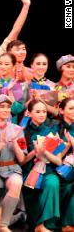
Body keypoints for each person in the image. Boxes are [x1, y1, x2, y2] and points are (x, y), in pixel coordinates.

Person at [0, 95, 26, 232]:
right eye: (2, 106)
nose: (6, 109)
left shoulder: (17, 129)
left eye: (8, 107)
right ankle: (15, 218)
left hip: (11, 168)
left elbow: (22, 159)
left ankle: (4, 225)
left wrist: (14, 142)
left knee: (16, 183)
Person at [22, 100, 62, 231]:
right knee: (32, 187)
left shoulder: (52, 129)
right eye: (38, 111)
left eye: (44, 111)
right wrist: (35, 151)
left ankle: (44, 224)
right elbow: (22, 160)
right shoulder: (23, 131)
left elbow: (58, 155)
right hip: (30, 169)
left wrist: (46, 151)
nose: (42, 114)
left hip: (49, 168)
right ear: (29, 113)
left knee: (52, 183)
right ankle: (38, 224)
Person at [0, 53, 27, 124]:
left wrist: (10, 91)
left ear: (13, 66)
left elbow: (16, 110)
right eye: (0, 63)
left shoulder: (17, 85)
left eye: (6, 64)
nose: (2, 66)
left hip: (10, 124)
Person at [53, 98, 74, 231]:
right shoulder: (54, 128)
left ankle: (68, 224)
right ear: (61, 110)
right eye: (71, 108)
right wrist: (66, 147)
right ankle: (66, 224)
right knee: (67, 187)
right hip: (59, 169)